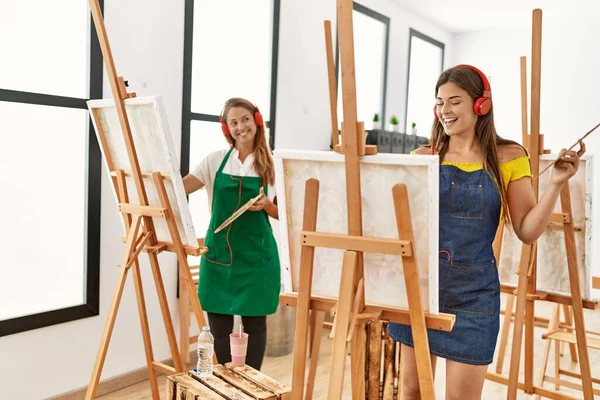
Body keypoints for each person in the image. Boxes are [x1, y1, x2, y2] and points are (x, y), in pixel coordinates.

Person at [387, 64, 585, 399]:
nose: (444, 111)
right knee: (412, 391)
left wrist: (554, 185)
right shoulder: (423, 157)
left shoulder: (508, 156)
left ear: (481, 105)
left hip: (474, 297)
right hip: (421, 289)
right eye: (439, 102)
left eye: (454, 101)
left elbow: (527, 230)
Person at [183, 97, 280, 370]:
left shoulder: (272, 166)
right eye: (233, 122)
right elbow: (181, 189)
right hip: (218, 256)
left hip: (256, 257)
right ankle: (228, 384)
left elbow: (285, 214)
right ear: (227, 129)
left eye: (245, 119)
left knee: (255, 323)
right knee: (219, 324)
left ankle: (252, 383)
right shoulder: (214, 161)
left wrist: (267, 205)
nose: (240, 127)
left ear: (257, 121)